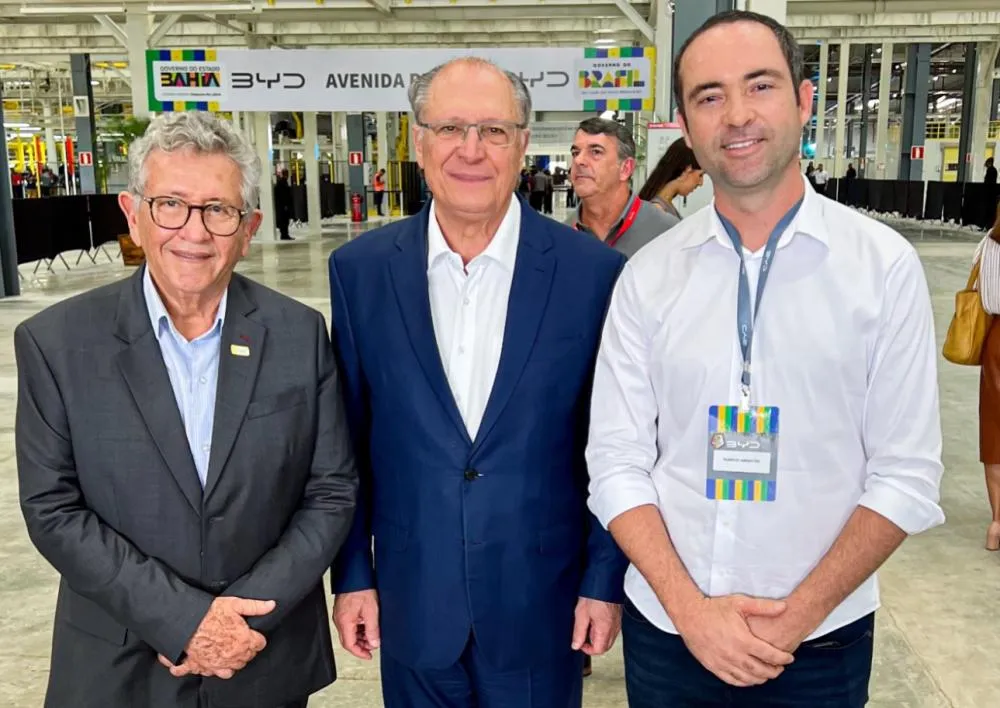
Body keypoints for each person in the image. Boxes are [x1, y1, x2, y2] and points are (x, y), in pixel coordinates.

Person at [585, 11, 944, 708]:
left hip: (822, 643)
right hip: (669, 635)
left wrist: (798, 617)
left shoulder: (880, 268)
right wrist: (691, 610)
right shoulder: (649, 278)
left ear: (805, 101)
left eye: (760, 86)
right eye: (710, 97)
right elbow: (616, 461)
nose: (738, 115)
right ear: (686, 128)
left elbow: (906, 473)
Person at [15, 111, 359, 708]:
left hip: (261, 657)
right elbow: (53, 507)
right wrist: (183, 620)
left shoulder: (299, 334)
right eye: (170, 204)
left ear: (248, 226)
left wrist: (240, 622)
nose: (193, 232)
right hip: (119, 661)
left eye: (218, 210)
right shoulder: (56, 342)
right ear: (133, 215)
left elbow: (330, 490)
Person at [328, 57, 628, 708]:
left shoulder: (592, 275)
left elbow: (615, 445)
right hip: (413, 603)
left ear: (523, 144)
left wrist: (604, 581)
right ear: (418, 141)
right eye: (450, 128)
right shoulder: (361, 272)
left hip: (540, 605)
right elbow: (346, 442)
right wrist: (352, 575)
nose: (470, 150)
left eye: (493, 130)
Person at [568, 117, 679, 258]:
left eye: (596, 152)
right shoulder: (560, 235)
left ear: (626, 168)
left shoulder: (666, 232)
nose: (578, 161)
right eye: (575, 153)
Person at [976, 202, 1000, 549]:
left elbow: (986, 298)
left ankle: (997, 524)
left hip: (998, 342)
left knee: (995, 432)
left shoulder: (989, 244)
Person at [638, 137, 705, 219]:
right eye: (700, 175)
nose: (701, 183)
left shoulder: (665, 205)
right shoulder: (658, 209)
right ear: (687, 170)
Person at [274, 168, 293, 240]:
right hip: (283, 206)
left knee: (285, 221)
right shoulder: (282, 183)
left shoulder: (282, 182)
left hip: (283, 206)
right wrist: (285, 205)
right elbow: (283, 195)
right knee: (284, 221)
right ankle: (284, 235)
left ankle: (285, 234)